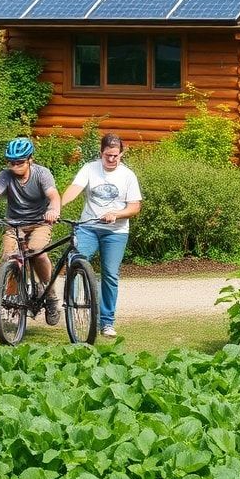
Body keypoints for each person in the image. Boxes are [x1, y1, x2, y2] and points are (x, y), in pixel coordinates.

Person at [0, 136, 62, 325]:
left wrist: (53, 210)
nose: (15, 166)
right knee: (8, 258)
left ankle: (50, 294)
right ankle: (13, 302)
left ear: (30, 159)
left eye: (20, 162)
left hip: (40, 222)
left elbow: (53, 195)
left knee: (37, 252)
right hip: (14, 225)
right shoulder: (5, 176)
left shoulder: (42, 174)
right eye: (11, 162)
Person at [60, 133, 142, 337]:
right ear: (101, 153)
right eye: (108, 156)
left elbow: (135, 207)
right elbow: (75, 188)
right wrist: (58, 206)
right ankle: (75, 307)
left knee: (110, 274)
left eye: (115, 156)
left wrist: (117, 214)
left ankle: (106, 322)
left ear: (121, 153)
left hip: (116, 232)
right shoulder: (89, 168)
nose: (112, 160)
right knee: (75, 260)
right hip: (89, 227)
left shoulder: (128, 176)